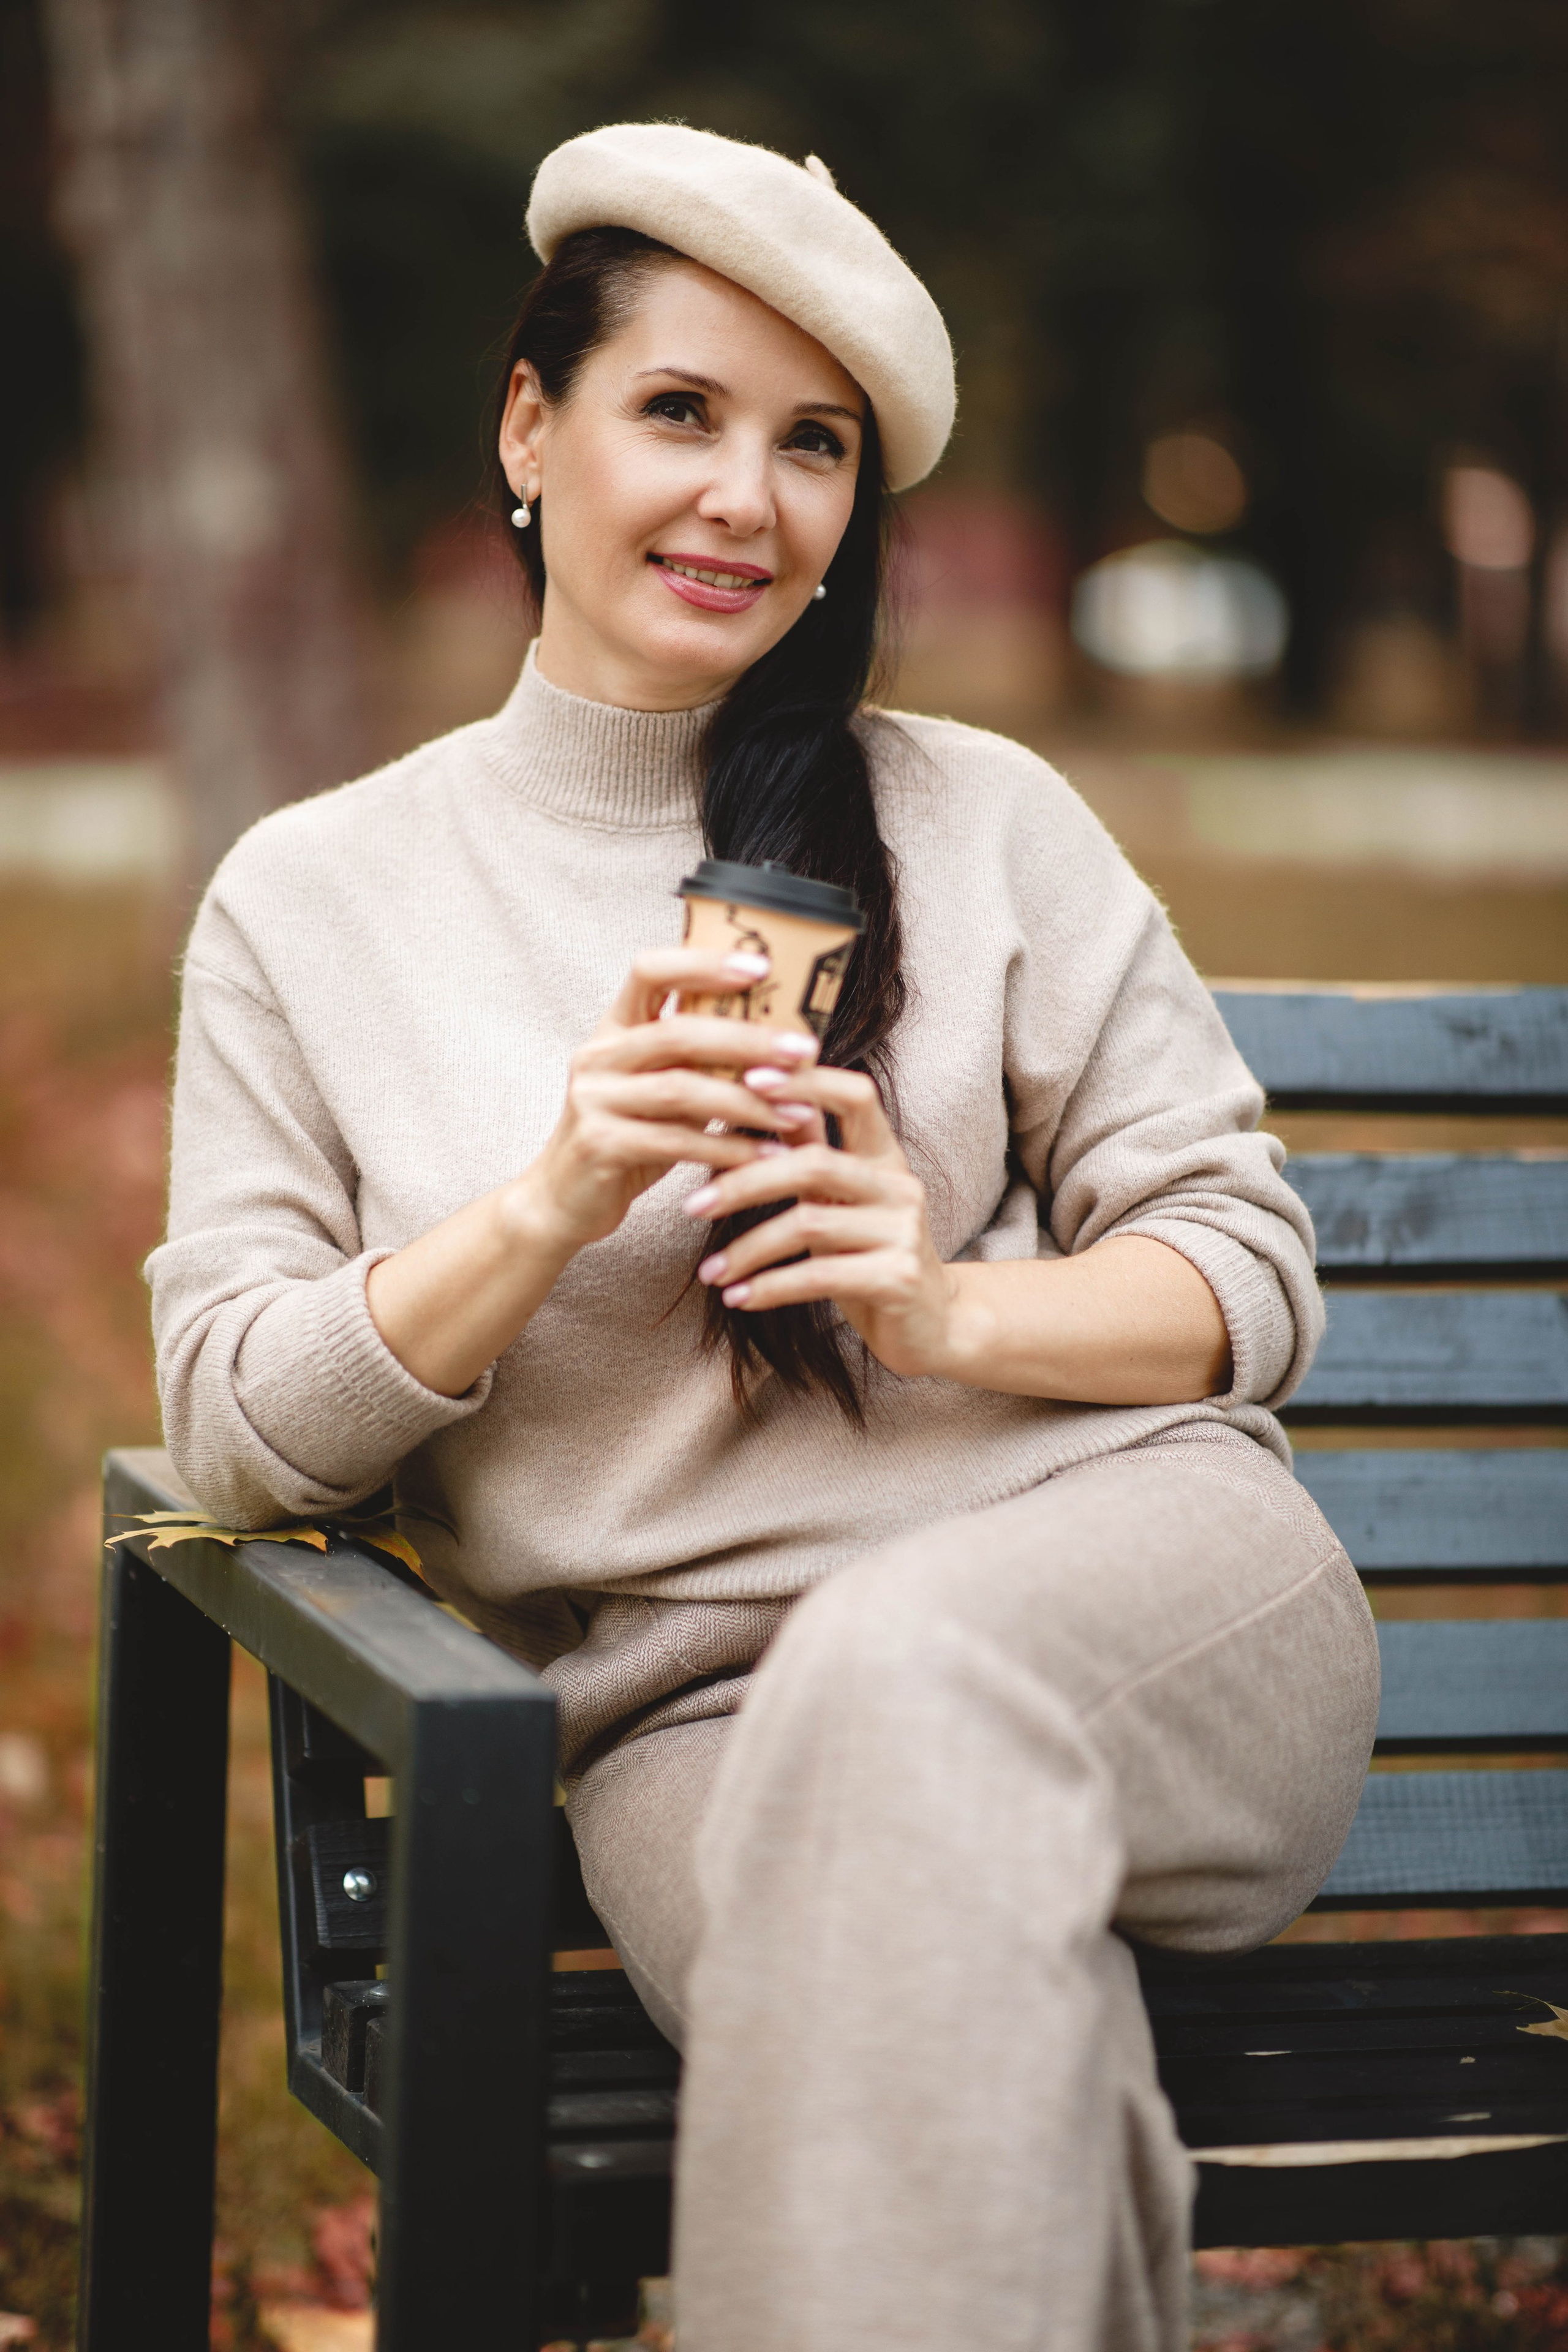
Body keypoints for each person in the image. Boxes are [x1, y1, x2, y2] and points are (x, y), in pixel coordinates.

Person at [149, 122, 1379, 2352]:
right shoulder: (311, 903)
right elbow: (231, 1429)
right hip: (696, 1731)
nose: (746, 496)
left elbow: (1243, 1273)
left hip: (1145, 1596)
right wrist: (547, 1205)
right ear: (533, 427)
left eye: (813, 447)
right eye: (681, 412)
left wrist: (933, 1300)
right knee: (945, 2015)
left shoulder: (980, 818)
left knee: (904, 1699)